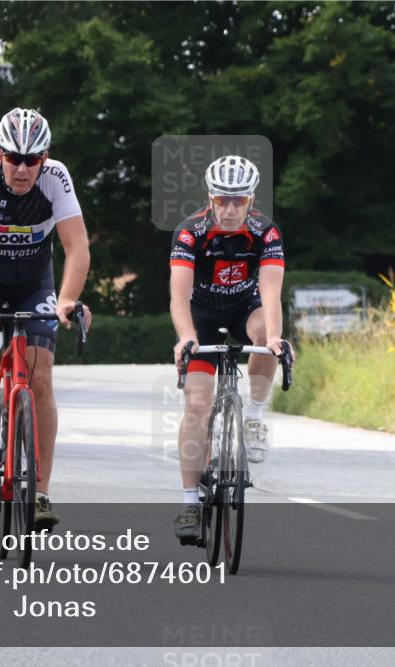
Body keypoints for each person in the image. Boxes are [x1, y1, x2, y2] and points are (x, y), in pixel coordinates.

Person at [0, 107, 91, 529]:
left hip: (34, 283)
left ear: (44, 158)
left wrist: (67, 299)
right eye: (14, 158)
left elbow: (77, 247)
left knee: (40, 377)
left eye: (33, 159)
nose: (23, 168)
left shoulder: (56, 178)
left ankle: (41, 491)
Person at [168, 154, 293, 542]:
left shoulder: (265, 232)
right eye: (223, 199)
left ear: (251, 200)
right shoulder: (191, 232)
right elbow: (179, 295)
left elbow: (271, 291)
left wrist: (273, 338)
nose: (230, 208)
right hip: (201, 316)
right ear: (211, 197)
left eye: (239, 200)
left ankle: (254, 415)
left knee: (267, 338)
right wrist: (186, 335)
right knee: (198, 406)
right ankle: (190, 501)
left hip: (245, 309)